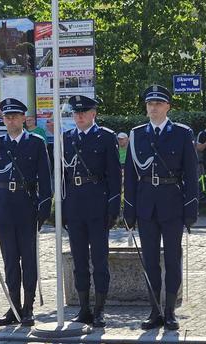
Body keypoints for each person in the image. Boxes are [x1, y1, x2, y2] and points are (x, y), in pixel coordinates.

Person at [123, 84, 198, 331]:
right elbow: (131, 177)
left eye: (158, 104)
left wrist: (191, 209)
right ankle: (154, 310)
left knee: (173, 259)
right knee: (150, 260)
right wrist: (129, 210)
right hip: (146, 206)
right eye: (149, 104)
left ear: (168, 107)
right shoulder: (137, 134)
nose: (153, 108)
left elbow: (190, 173)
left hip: (173, 204)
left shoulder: (182, 133)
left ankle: (170, 312)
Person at [0, 98, 52, 327]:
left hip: (26, 206)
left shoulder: (36, 143)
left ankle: (28, 308)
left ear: (24, 118)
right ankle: (14, 307)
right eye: (7, 117)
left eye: (15, 116)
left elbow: (45, 180)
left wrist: (43, 210)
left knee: (29, 260)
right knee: (10, 261)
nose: (11, 121)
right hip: (4, 207)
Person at [62, 95, 121, 328]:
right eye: (76, 113)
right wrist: (63, 208)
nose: (79, 116)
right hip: (75, 205)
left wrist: (113, 207)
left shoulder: (106, 137)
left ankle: (99, 309)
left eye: (84, 112)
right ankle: (84, 308)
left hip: (97, 204)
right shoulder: (67, 138)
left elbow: (115, 176)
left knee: (99, 259)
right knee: (78, 260)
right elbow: (64, 177)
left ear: (93, 113)